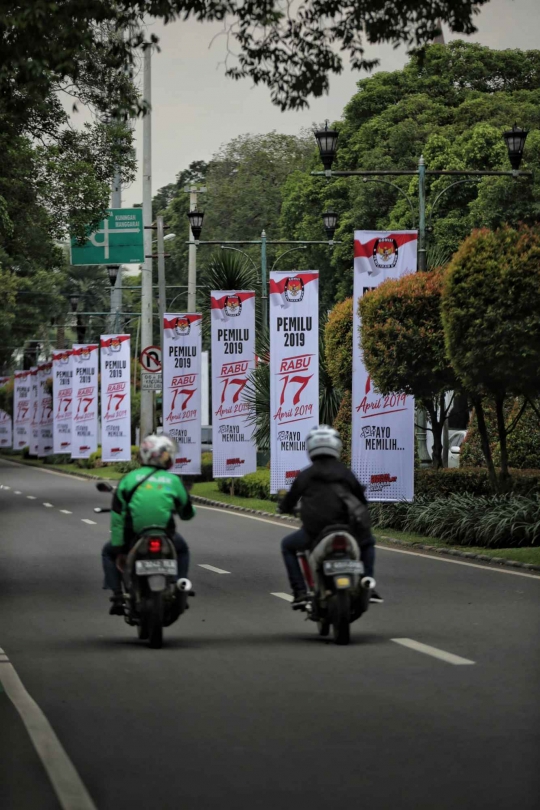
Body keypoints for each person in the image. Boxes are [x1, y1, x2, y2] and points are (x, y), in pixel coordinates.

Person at [279, 425, 383, 606]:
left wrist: (284, 507)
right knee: (368, 543)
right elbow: (361, 501)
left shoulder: (306, 475)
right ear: (336, 446)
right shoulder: (346, 473)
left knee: (287, 546)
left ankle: (300, 592)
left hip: (315, 533)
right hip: (348, 530)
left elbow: (289, 501)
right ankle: (368, 584)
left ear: (310, 447)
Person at [101, 434, 195, 615]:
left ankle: (118, 595)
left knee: (108, 552)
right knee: (182, 549)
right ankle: (180, 583)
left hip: (134, 535)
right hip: (165, 534)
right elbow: (187, 512)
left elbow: (118, 516)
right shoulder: (173, 481)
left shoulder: (129, 479)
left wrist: (119, 548)